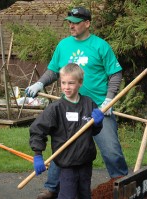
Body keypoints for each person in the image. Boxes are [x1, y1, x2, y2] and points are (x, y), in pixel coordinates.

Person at [25, 6, 128, 199]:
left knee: (111, 150)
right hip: (69, 108)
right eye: (69, 22)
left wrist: (109, 98)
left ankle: (123, 184)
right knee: (63, 147)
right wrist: (40, 83)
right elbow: (54, 71)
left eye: (75, 22)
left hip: (98, 108)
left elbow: (115, 73)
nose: (71, 26)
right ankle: (51, 188)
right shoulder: (63, 45)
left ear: (87, 23)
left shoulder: (100, 46)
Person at [30, 63, 104, 199]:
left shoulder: (89, 104)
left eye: (71, 83)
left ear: (80, 83)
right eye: (63, 83)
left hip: (85, 162)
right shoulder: (56, 108)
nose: (66, 87)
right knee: (68, 195)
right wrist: (38, 154)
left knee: (85, 194)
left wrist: (98, 123)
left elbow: (94, 131)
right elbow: (38, 130)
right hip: (66, 163)